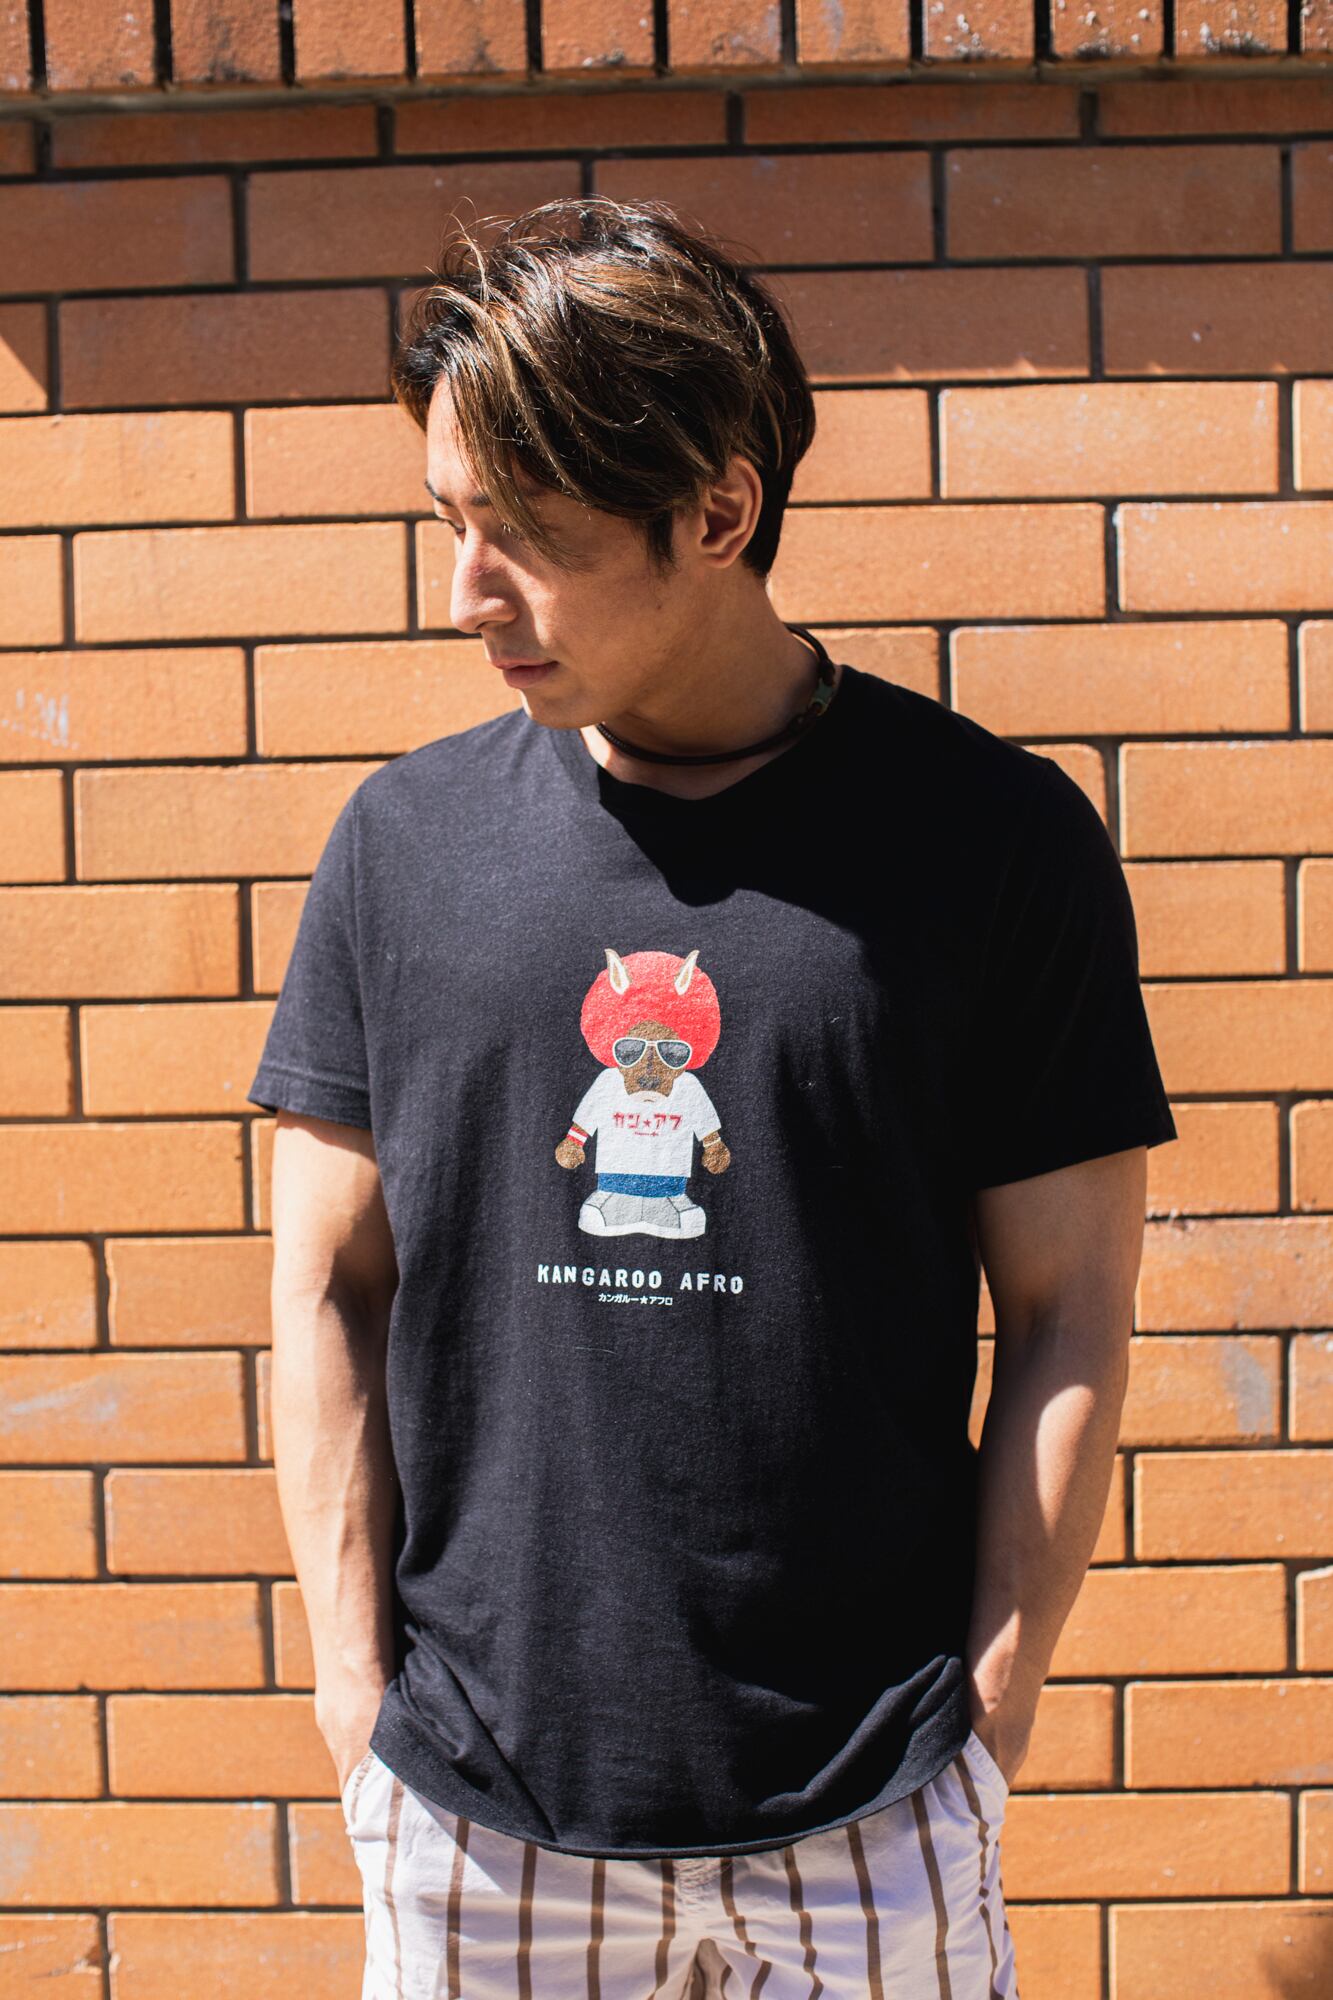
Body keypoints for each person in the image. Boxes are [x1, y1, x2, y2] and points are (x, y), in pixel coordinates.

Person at [249, 194, 1177, 1999]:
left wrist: (985, 1732)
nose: (466, 593)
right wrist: (356, 1711)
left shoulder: (988, 844)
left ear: (720, 511)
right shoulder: (403, 848)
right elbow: (327, 1285)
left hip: (876, 1811)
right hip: (477, 1818)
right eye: (450, 521)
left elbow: (1070, 1307)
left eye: (526, 532)